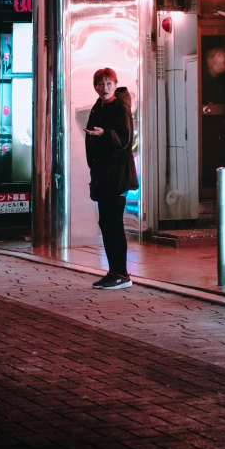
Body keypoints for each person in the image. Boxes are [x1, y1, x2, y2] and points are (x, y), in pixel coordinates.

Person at [84, 67, 138, 290]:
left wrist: (105, 134)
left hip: (117, 176)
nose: (104, 88)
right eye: (100, 84)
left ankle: (122, 274)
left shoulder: (120, 107)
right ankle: (113, 271)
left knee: (114, 224)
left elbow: (125, 139)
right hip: (102, 175)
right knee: (106, 224)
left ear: (115, 85)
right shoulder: (99, 106)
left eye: (108, 84)